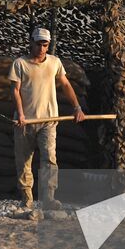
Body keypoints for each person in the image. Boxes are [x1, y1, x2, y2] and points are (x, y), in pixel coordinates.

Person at [9, 27, 85, 209]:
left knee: (49, 158)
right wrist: (20, 114)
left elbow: (65, 84)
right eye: (38, 44)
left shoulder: (55, 63)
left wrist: (77, 107)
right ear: (31, 43)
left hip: (49, 121)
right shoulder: (20, 64)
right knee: (24, 160)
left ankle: (48, 197)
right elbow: (15, 90)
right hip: (25, 122)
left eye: (45, 45)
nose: (41, 48)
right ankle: (26, 197)